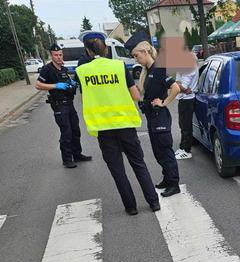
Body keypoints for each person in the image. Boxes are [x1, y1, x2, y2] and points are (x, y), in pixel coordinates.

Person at [76, 32, 160, 215]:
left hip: (103, 129)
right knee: (138, 164)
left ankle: (131, 207)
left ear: (87, 50)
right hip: (125, 125)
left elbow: (84, 99)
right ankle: (153, 202)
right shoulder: (119, 66)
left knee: (117, 170)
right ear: (105, 48)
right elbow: (136, 96)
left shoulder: (82, 72)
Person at [132, 41, 182, 197]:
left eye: (137, 55)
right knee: (158, 152)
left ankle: (174, 184)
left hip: (160, 117)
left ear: (146, 52)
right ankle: (167, 179)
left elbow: (175, 88)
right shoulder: (147, 71)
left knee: (165, 152)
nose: (135, 59)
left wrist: (163, 103)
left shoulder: (159, 69)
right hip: (152, 118)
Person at [36, 43, 92, 168]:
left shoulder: (63, 69)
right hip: (59, 105)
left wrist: (72, 83)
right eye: (56, 55)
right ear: (51, 56)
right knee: (66, 132)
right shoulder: (47, 69)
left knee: (75, 130)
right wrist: (55, 86)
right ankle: (67, 159)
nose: (59, 57)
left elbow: (68, 83)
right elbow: (38, 85)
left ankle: (77, 154)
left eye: (60, 54)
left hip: (69, 103)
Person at [175, 53, 199, 160]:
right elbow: (178, 84)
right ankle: (182, 147)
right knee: (183, 125)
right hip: (184, 98)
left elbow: (182, 86)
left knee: (186, 126)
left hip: (187, 99)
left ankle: (186, 150)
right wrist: (178, 84)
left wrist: (178, 85)